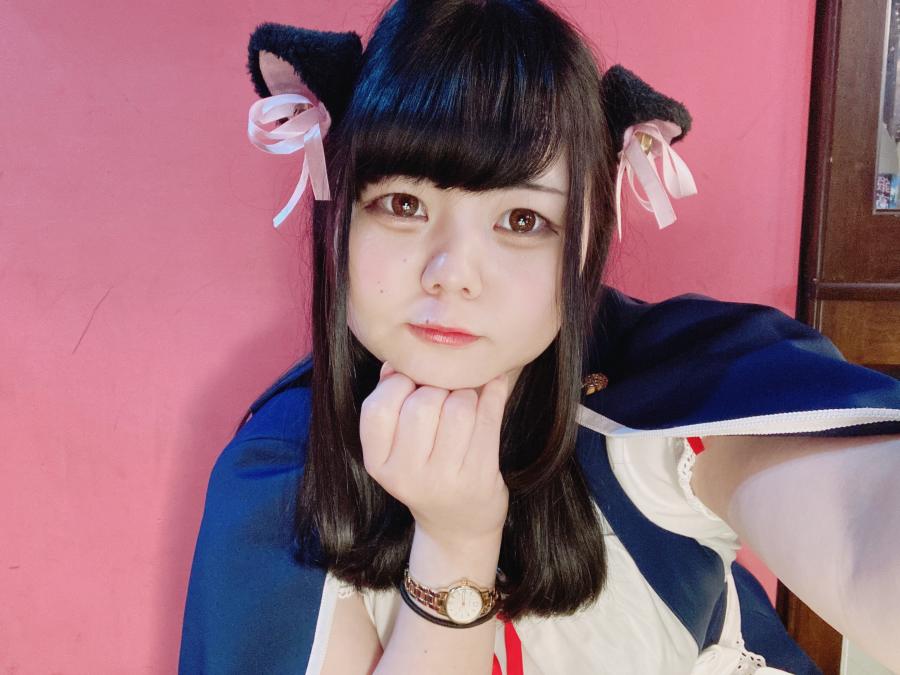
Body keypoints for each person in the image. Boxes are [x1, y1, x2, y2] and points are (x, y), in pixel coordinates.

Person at [178, 2, 900, 673]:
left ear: (586, 237)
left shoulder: (665, 382)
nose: (452, 274)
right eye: (402, 204)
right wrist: (456, 544)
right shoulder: (278, 473)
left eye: (522, 221)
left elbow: (856, 528)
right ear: (340, 213)